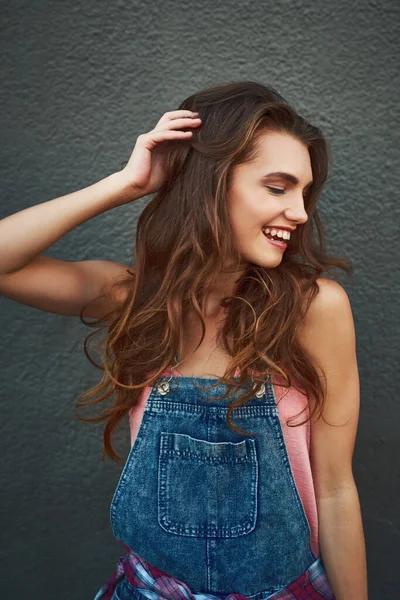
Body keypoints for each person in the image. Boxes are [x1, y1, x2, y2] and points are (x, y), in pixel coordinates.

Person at [0, 81, 368, 599]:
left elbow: (335, 491)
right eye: (279, 187)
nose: (301, 213)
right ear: (211, 182)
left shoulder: (314, 310)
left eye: (305, 193)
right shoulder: (135, 301)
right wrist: (125, 185)